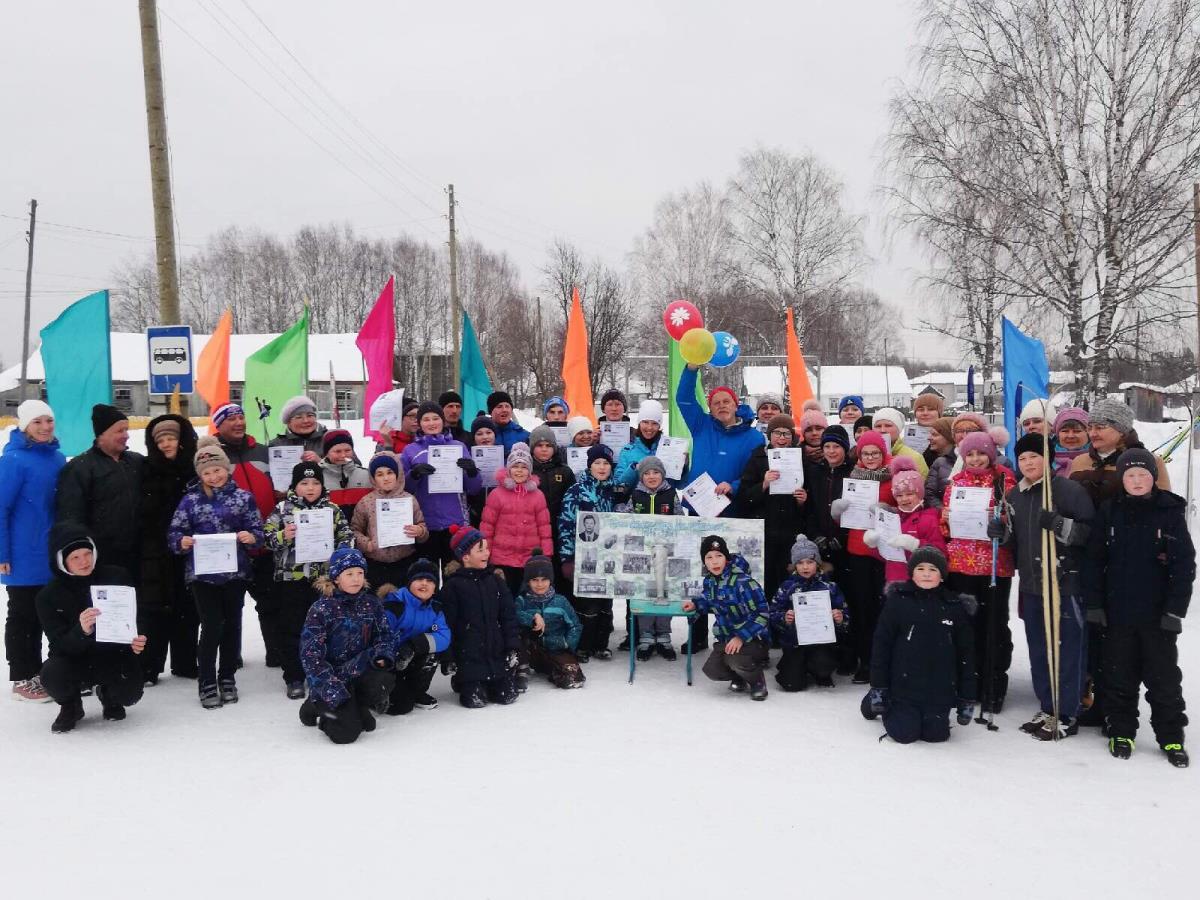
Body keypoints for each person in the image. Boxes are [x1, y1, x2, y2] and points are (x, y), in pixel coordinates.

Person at [1083, 449, 1193, 767]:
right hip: (1117, 612)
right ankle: (1121, 730)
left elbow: (1184, 565)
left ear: (1152, 477)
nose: (1136, 480)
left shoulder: (1168, 511)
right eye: (1130, 475)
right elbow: (1094, 562)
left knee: (1164, 680)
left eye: (1142, 474)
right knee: (1119, 677)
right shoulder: (1110, 512)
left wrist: (1175, 610)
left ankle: (1171, 737)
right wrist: (1094, 604)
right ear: (1122, 479)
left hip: (1158, 617)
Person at [1069, 398, 1169, 728]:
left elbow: (1165, 509)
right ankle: (1097, 701)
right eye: (1091, 426)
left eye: (1101, 426)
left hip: (1130, 562)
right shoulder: (1080, 460)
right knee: (1094, 635)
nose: (1092, 432)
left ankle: (1120, 708)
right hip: (1089, 560)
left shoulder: (1146, 461)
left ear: (1122, 430)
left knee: (1125, 640)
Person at [999, 432, 1093, 740]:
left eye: (1034, 457)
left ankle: (1067, 711)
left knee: (1065, 650)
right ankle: (1047, 705)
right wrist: (1000, 532)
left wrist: (1060, 525)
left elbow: (1088, 535)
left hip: (1064, 583)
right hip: (1031, 584)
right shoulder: (1015, 495)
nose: (1028, 463)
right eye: (1022, 458)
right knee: (1039, 648)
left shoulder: (1067, 491)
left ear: (1047, 458)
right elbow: (1014, 541)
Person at [168, 437, 265, 709]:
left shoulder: (243, 498)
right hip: (203, 576)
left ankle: (227, 677)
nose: (213, 476)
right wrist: (182, 542)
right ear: (200, 475)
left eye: (217, 470)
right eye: (207, 472)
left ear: (227, 469)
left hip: (235, 574)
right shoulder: (190, 501)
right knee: (211, 626)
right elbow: (174, 534)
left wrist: (251, 537)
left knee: (232, 626)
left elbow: (259, 533)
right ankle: (207, 680)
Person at [35, 523, 148, 733]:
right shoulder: (48, 596)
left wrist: (137, 637)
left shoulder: (117, 576)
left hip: (114, 654)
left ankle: (110, 695)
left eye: (87, 554)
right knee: (52, 674)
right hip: (73, 659)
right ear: (62, 562)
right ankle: (71, 705)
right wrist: (81, 630)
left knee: (130, 694)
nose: (84, 561)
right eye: (75, 557)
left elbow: (137, 615)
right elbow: (59, 644)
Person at [861, 547, 977, 744]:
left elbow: (966, 655)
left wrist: (967, 698)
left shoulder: (954, 607)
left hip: (938, 690)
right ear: (911, 573)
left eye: (933, 569)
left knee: (936, 736)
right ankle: (873, 702)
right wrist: (879, 685)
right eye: (920, 568)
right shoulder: (898, 601)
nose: (926, 574)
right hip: (903, 687)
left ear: (942, 576)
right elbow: (882, 646)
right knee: (905, 734)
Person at [941, 426, 1015, 714]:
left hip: (994, 565)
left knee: (993, 626)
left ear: (991, 454)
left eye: (980, 454)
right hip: (960, 564)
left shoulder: (1003, 480)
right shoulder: (955, 482)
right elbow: (945, 527)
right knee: (965, 626)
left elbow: (1013, 518)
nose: (975, 459)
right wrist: (945, 519)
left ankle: (993, 684)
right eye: (969, 454)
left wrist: (1003, 522)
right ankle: (965, 681)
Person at [264, 461, 354, 699]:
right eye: (304, 483)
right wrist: (285, 535)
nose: (310, 488)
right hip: (291, 579)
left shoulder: (332, 510)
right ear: (295, 485)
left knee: (326, 626)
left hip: (323, 580)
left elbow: (347, 535)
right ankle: (294, 676)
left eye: (315, 483)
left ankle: (323, 672)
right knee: (292, 627)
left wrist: (338, 549)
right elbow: (266, 537)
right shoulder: (283, 508)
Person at [1, 399, 66, 701]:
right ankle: (22, 677)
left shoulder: (57, 459)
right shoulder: (13, 461)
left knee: (49, 616)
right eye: (37, 422)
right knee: (23, 617)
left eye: (48, 421)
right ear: (24, 426)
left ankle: (46, 674)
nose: (44, 427)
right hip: (22, 554)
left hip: (51, 553)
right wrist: (3, 553)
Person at [298, 547, 396, 744]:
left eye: (360, 573)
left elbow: (384, 635)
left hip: (359, 671)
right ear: (336, 578)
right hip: (331, 678)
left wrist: (382, 655)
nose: (356, 579)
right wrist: (329, 687)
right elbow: (310, 655)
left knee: (384, 680)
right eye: (349, 574)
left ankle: (356, 705)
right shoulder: (321, 609)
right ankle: (316, 705)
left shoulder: (372, 603)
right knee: (346, 734)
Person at [212, 402, 279, 667]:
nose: (238, 422)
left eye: (241, 417)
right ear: (219, 425)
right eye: (231, 419)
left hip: (265, 543)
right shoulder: (213, 456)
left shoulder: (263, 451)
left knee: (270, 602)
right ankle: (231, 655)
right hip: (231, 547)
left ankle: (275, 652)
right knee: (231, 607)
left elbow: (279, 485)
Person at [137, 413, 199, 686]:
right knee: (155, 609)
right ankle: (149, 667)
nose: (165, 444)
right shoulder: (145, 469)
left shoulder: (195, 468)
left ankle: (185, 662)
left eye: (171, 437)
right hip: (155, 550)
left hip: (191, 548)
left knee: (189, 607)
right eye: (159, 439)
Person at [830, 430, 894, 683]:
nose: (870, 457)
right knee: (861, 607)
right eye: (865, 453)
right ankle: (863, 658)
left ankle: (878, 661)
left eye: (875, 453)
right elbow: (845, 519)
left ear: (883, 453)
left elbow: (906, 507)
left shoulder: (893, 476)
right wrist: (837, 512)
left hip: (884, 552)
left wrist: (888, 510)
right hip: (857, 550)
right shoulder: (852, 477)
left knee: (881, 608)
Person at [55, 403, 144, 576]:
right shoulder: (80, 468)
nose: (126, 436)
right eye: (119, 431)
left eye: (126, 430)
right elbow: (71, 516)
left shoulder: (136, 461)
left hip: (138, 553)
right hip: (102, 557)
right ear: (101, 434)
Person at [439, 524, 520, 708]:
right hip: (469, 657)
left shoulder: (496, 581)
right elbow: (447, 624)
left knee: (507, 696)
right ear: (465, 556)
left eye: (487, 548)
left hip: (496, 654)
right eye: (480, 549)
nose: (487, 553)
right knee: (475, 701)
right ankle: (464, 681)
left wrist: (512, 645)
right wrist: (448, 657)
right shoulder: (453, 587)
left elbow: (508, 616)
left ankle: (493, 679)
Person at [682, 535, 770, 700]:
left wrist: (741, 637)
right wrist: (696, 604)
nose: (714, 562)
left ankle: (757, 681)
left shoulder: (743, 582)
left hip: (754, 640)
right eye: (709, 557)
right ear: (704, 562)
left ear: (726, 558)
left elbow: (763, 613)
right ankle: (740, 676)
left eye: (719, 556)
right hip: (726, 638)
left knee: (735, 659)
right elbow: (709, 600)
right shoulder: (710, 582)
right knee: (712, 671)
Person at [558, 445, 622, 660]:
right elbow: (566, 525)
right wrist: (567, 557)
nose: (602, 467)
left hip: (609, 558)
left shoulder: (614, 491)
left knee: (606, 603)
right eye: (597, 463)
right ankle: (583, 645)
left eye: (606, 463)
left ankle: (601, 644)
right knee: (588, 603)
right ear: (589, 466)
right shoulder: (577, 490)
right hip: (584, 557)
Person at [675, 367, 765, 517]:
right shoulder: (701, 425)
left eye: (726, 401)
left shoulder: (754, 438)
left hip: (734, 508)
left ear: (736, 406)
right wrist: (691, 369)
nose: (721, 405)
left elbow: (756, 475)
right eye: (716, 403)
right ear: (710, 409)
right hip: (698, 506)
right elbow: (684, 398)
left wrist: (733, 486)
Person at [401, 401, 483, 565]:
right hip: (425, 526)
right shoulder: (410, 450)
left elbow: (473, 489)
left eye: (435, 418)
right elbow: (404, 490)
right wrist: (415, 474)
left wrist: (472, 472)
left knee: (454, 575)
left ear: (443, 420)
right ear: (420, 423)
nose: (431, 423)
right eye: (426, 419)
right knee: (427, 578)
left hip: (454, 523)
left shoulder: (458, 446)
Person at [737, 413, 807, 602]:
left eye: (786, 434)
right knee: (764, 582)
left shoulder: (800, 459)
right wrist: (764, 484)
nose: (782, 438)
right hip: (765, 532)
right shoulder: (758, 457)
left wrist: (802, 501)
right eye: (777, 433)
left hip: (789, 532)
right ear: (769, 435)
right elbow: (744, 497)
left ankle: (784, 626)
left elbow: (809, 503)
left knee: (787, 584)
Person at [620, 456, 683, 661]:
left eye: (655, 472)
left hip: (666, 553)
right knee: (644, 592)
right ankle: (646, 636)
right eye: (647, 473)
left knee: (664, 591)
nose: (651, 476)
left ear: (662, 474)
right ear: (641, 476)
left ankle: (663, 635)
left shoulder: (671, 493)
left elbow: (680, 520)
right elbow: (628, 519)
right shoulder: (636, 494)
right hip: (642, 555)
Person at [769, 535, 849, 691]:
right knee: (791, 684)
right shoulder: (787, 587)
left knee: (823, 666)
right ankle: (792, 665)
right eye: (800, 563)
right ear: (794, 565)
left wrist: (839, 618)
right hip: (794, 643)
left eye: (810, 562)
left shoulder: (829, 586)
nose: (805, 567)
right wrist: (784, 618)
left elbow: (845, 614)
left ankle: (819, 670)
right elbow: (772, 613)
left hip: (821, 643)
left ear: (817, 563)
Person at [378, 558, 450, 714]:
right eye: (419, 579)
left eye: (429, 581)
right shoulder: (395, 605)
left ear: (435, 587)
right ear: (409, 583)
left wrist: (414, 644)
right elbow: (380, 636)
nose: (424, 583)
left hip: (411, 657)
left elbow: (442, 634)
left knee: (433, 653)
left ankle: (417, 691)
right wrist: (392, 655)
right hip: (389, 662)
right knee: (400, 707)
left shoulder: (435, 610)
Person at [480, 442, 554, 594]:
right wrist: (485, 554)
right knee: (504, 599)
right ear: (508, 469)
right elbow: (487, 528)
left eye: (524, 467)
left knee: (524, 600)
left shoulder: (538, 496)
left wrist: (545, 556)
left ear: (530, 471)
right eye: (515, 466)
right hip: (501, 559)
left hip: (529, 559)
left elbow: (544, 529)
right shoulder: (496, 494)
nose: (519, 471)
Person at [350, 453, 429, 589]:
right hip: (376, 564)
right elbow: (355, 530)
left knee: (402, 604)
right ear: (373, 478)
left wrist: (420, 531)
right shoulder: (366, 502)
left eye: (390, 472)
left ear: (397, 474)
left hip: (404, 563)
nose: (386, 478)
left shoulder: (409, 499)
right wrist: (366, 544)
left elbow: (422, 528)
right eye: (380, 474)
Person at [863, 457, 945, 585]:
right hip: (893, 580)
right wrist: (874, 544)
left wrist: (916, 545)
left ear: (920, 494)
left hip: (920, 583)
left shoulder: (929, 519)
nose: (904, 499)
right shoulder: (893, 518)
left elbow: (941, 553)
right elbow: (886, 556)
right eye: (899, 495)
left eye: (910, 493)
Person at [513, 551, 585, 689]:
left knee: (573, 678)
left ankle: (555, 668)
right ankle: (521, 668)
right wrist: (533, 617)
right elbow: (515, 616)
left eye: (544, 579)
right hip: (531, 648)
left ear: (550, 580)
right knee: (518, 634)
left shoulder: (561, 601)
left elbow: (575, 626)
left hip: (556, 648)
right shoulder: (522, 600)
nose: (539, 584)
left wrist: (566, 643)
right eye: (534, 580)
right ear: (528, 581)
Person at [614, 399, 685, 489]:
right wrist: (633, 469)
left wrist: (683, 466)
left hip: (663, 502)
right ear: (639, 423)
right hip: (636, 502)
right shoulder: (627, 450)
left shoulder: (668, 449)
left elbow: (679, 486)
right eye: (645, 422)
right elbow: (618, 487)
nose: (649, 427)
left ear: (659, 426)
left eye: (655, 423)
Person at [926, 411, 986, 510]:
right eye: (959, 431)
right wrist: (944, 511)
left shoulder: (998, 462)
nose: (964, 435)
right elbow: (929, 494)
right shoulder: (941, 463)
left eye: (971, 430)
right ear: (953, 435)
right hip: (948, 521)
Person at [319, 428, 372, 520]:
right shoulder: (317, 477)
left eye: (347, 450)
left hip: (360, 531)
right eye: (337, 451)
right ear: (327, 453)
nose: (343, 455)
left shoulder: (366, 476)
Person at [270, 395, 330, 461]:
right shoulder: (276, 444)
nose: (306, 421)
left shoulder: (330, 440)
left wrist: (320, 462)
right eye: (299, 417)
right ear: (289, 423)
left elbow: (340, 469)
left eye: (310, 415)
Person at [873, 407, 929, 476]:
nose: (883, 430)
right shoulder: (866, 455)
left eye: (888, 425)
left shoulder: (914, 458)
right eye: (878, 426)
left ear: (898, 429)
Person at [487, 390, 531, 458]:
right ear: (491, 411)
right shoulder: (482, 435)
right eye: (499, 406)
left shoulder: (525, 436)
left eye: (507, 406)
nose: (504, 410)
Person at [1052, 407, 1090, 476]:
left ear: (1088, 433)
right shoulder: (1046, 461)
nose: (1070, 436)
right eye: (1065, 431)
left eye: (1077, 431)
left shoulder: (1099, 459)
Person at [912, 394, 945, 468]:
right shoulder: (905, 440)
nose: (925, 413)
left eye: (931, 409)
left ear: (939, 413)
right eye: (921, 410)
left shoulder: (949, 438)